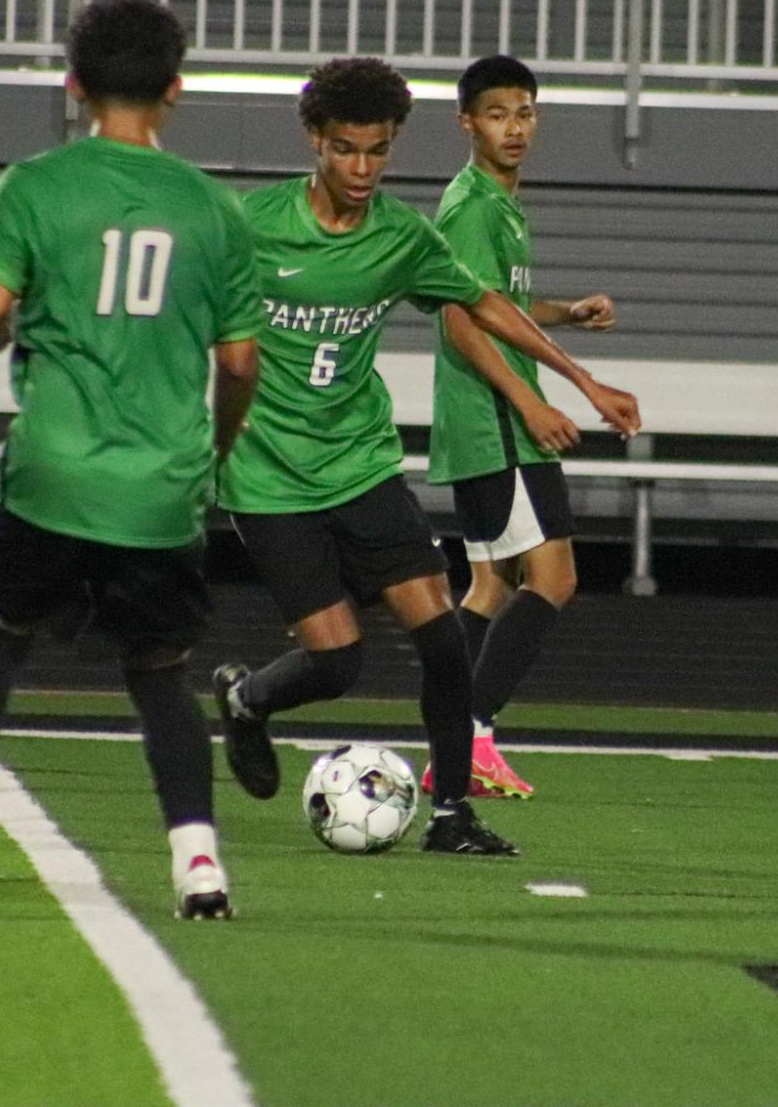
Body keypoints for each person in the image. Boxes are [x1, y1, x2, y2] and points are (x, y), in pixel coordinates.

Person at [211, 56, 641, 857]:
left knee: (441, 636)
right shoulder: (250, 224)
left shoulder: (402, 235)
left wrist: (582, 378)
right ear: (314, 140)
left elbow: (484, 305)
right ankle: (247, 701)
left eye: (377, 151)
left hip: (361, 465)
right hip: (267, 478)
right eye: (345, 150)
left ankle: (451, 816)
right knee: (336, 662)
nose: (362, 169)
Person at [0, 0, 260, 921]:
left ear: (74, 85)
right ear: (175, 90)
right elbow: (241, 361)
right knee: (158, 671)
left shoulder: (34, 185)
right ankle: (199, 867)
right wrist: (210, 452)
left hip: (50, 475)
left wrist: (9, 330)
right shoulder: (213, 210)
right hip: (159, 488)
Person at [420, 55, 616, 800]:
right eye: (497, 113)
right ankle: (472, 732)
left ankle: (452, 739)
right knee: (553, 579)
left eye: (525, 112)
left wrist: (566, 314)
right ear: (466, 122)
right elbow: (459, 317)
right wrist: (532, 402)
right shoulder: (471, 204)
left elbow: (495, 302)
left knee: (489, 586)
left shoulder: (498, 202)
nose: (514, 127)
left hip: (486, 423)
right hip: (496, 419)